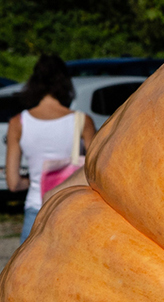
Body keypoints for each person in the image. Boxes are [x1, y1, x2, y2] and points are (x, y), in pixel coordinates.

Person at [5, 55, 96, 242]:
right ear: (66, 84)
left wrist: (34, 182)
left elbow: (13, 183)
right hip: (71, 209)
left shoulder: (18, 123)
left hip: (35, 209)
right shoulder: (82, 121)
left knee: (28, 270)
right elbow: (96, 172)